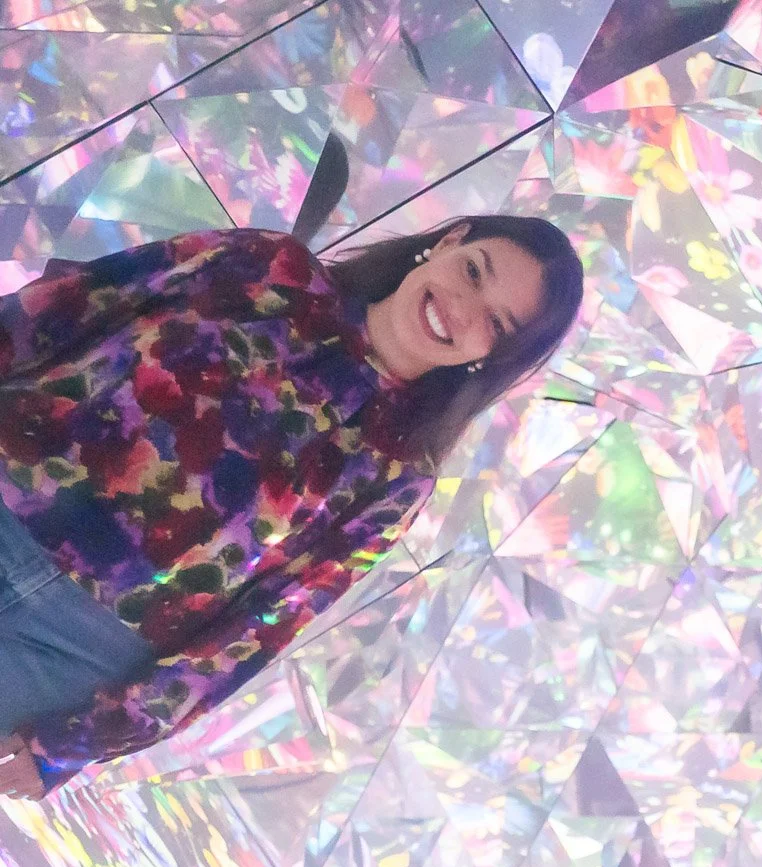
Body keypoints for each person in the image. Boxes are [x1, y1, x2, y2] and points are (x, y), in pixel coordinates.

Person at [0, 210, 585, 801]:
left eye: (496, 323)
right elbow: (64, 308)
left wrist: (73, 744)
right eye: (474, 271)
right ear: (449, 240)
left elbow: (259, 627)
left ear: (493, 356)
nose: (462, 308)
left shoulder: (400, 475)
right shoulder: (267, 267)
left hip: (71, 648)